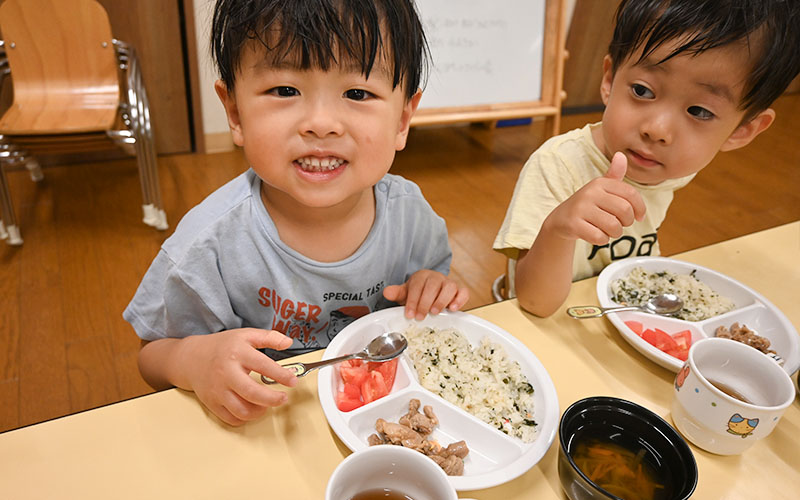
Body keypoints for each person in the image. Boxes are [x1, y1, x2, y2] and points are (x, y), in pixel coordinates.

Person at [123, 0, 469, 426]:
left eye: (357, 93)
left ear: (402, 119)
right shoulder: (207, 245)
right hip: (266, 423)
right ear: (234, 112)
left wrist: (429, 287)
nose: (321, 124)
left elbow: (429, 286)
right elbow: (151, 357)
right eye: (285, 90)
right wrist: (192, 360)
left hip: (378, 417)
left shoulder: (411, 217)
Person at [494, 0, 800, 317]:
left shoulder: (670, 168)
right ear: (610, 80)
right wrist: (558, 229)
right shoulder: (558, 165)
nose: (657, 130)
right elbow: (533, 303)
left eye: (699, 111)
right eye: (642, 90)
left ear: (743, 130)